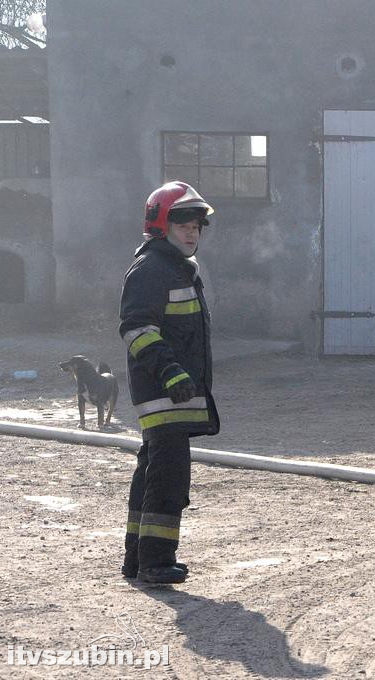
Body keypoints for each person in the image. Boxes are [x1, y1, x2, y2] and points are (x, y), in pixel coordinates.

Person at [118, 181, 219, 584]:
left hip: (174, 392)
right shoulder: (152, 269)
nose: (191, 231)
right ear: (160, 225)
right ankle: (157, 561)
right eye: (182, 223)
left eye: (196, 224)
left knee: (152, 471)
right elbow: (136, 327)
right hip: (165, 392)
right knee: (169, 477)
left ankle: (137, 558)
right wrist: (171, 372)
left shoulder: (175, 267)